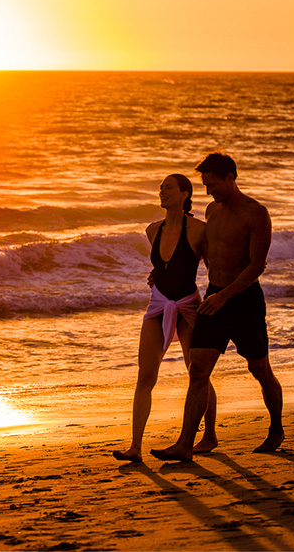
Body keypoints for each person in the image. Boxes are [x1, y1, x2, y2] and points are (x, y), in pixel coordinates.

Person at [151, 153, 284, 462]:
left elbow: (256, 265)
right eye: (205, 185)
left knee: (259, 369)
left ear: (230, 178)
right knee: (198, 370)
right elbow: (206, 251)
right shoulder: (212, 210)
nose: (208, 192)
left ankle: (276, 428)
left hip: (245, 300)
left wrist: (226, 296)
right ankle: (186, 443)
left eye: (213, 185)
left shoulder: (256, 213)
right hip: (214, 297)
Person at [113, 174, 218, 463]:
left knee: (197, 372)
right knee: (145, 376)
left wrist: (220, 299)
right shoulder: (151, 230)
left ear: (185, 194)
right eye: (160, 188)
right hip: (158, 305)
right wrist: (156, 275)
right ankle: (135, 446)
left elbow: (213, 269)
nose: (162, 192)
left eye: (168, 188)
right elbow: (164, 266)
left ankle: (208, 435)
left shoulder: (199, 230)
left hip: (189, 307)